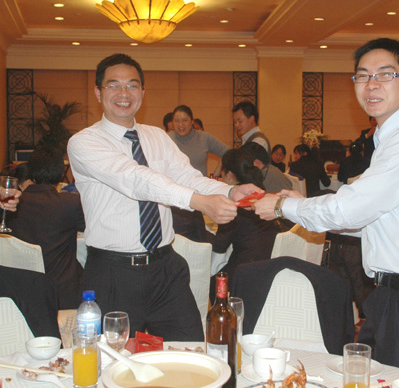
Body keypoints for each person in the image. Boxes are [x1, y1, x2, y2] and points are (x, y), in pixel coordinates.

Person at [255, 38, 399, 369]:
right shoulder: (393, 138)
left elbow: (352, 209)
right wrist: (303, 203)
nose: (372, 84)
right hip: (395, 297)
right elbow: (375, 219)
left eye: (386, 74)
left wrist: (283, 208)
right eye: (363, 75)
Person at [67, 53, 260, 340]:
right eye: (113, 85)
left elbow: (188, 176)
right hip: (113, 273)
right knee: (115, 362)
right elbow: (135, 179)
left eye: (132, 85)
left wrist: (230, 190)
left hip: (165, 269)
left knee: (190, 353)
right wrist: (198, 202)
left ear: (143, 92)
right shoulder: (84, 142)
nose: (124, 94)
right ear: (98, 92)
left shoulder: (157, 136)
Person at [7, 146, 86, 309]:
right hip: (61, 294)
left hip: (20, 293)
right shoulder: (69, 203)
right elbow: (93, 229)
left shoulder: (11, 203)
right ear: (61, 173)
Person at [209, 148, 287, 301]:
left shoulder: (237, 203)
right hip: (269, 265)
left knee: (212, 282)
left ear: (229, 175)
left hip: (246, 272)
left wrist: (201, 232)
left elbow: (219, 245)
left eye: (222, 175)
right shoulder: (259, 192)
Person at [168, 105, 229, 177]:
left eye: (185, 120)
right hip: (174, 184)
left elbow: (227, 152)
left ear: (192, 121)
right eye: (177, 121)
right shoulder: (166, 138)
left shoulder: (204, 137)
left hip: (200, 183)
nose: (181, 124)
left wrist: (216, 174)